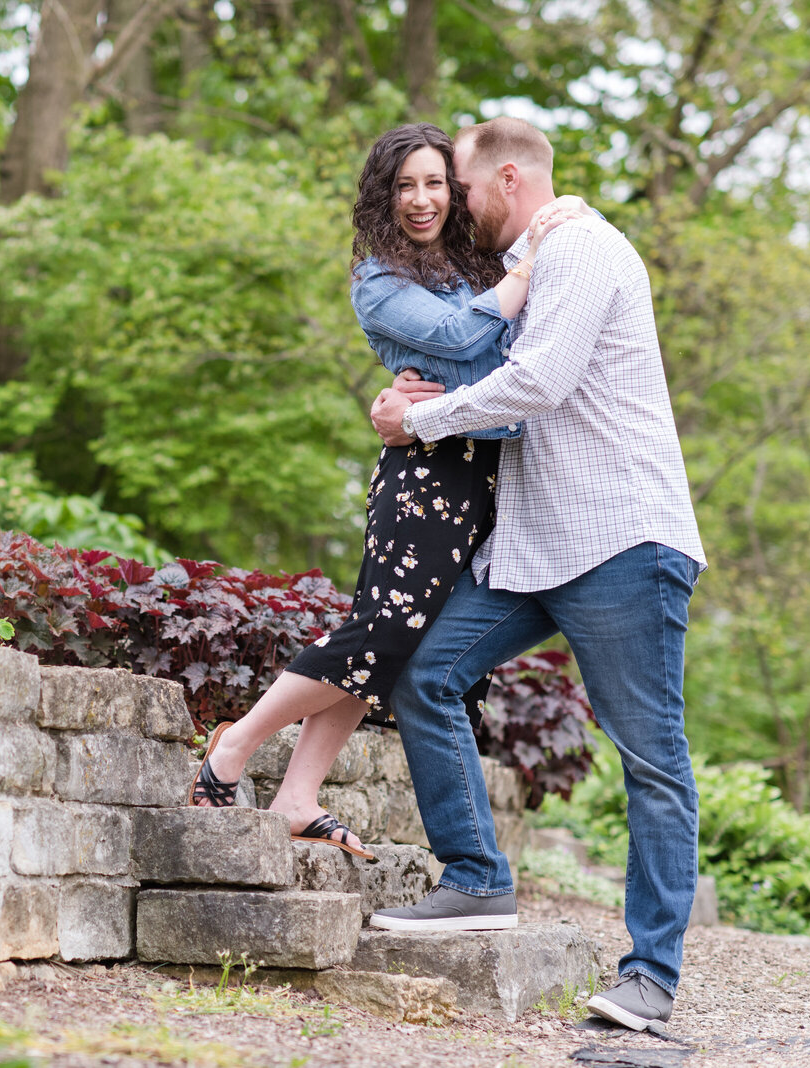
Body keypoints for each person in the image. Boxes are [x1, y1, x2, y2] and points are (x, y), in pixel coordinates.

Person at [365, 116, 707, 1034]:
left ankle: (650, 978)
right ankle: (477, 878)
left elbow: (542, 381)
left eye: (465, 191)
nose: (458, 208)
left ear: (507, 180)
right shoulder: (532, 266)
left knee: (652, 760)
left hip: (623, 545)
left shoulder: (586, 250)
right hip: (535, 548)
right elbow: (478, 357)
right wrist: (409, 384)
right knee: (424, 673)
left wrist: (418, 423)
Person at [187, 123, 583, 860]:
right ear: (384, 195)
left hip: (489, 479)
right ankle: (232, 747)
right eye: (405, 186)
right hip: (424, 476)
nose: (423, 199)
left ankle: (298, 798)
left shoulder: (481, 262)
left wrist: (530, 256)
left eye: (436, 182)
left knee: (395, 650)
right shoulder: (378, 280)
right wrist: (524, 276)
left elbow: (522, 352)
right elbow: (464, 338)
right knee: (379, 635)